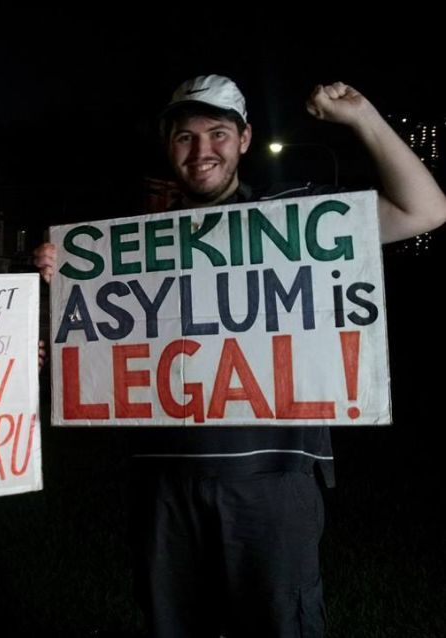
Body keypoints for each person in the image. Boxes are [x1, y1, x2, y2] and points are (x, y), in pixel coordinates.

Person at [34, 75, 446, 637]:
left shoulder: (295, 218)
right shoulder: (133, 239)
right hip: (166, 481)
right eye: (185, 137)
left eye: (218, 134)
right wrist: (63, 279)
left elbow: (424, 210)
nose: (201, 151)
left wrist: (364, 117)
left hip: (272, 479)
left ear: (245, 139)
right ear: (167, 145)